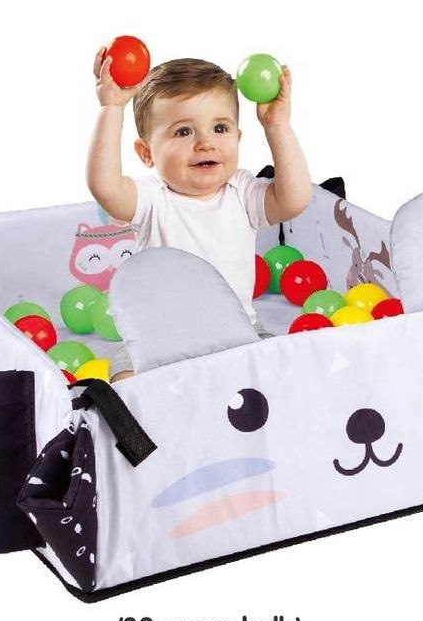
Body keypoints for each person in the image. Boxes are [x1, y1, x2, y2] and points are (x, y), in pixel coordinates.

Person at [86, 48, 312, 381]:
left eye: (220, 128)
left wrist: (277, 126)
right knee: (125, 383)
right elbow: (104, 187)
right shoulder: (152, 200)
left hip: (238, 332)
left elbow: (295, 199)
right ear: (147, 153)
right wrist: (112, 108)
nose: (206, 143)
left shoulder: (241, 193)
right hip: (159, 339)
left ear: (238, 137)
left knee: (282, 369)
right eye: (183, 132)